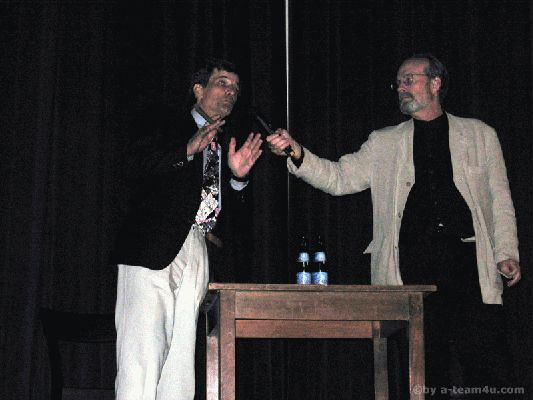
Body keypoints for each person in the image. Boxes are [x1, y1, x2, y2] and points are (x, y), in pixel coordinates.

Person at [267, 53, 521, 398]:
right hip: (413, 269)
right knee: (425, 373)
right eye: (398, 82)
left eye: (409, 80)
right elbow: (339, 178)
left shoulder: (480, 135)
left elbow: (500, 199)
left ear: (435, 83)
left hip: (468, 265)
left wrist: (506, 252)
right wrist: (297, 153)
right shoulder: (384, 142)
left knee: (490, 369)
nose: (401, 87)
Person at [112, 58, 263, 400]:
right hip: (153, 245)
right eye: (223, 83)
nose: (231, 92)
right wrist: (187, 149)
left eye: (236, 88)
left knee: (180, 364)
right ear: (198, 90)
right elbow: (133, 166)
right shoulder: (166, 122)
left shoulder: (225, 145)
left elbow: (235, 222)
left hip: (199, 246)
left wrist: (238, 179)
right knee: (143, 353)